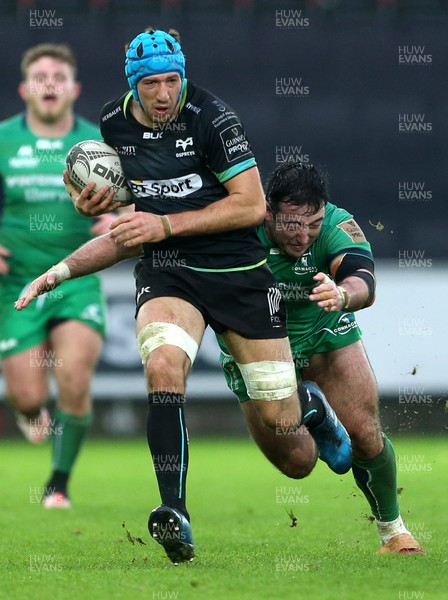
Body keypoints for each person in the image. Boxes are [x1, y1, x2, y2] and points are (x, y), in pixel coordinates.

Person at [15, 29, 352, 564]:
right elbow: (127, 219)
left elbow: (250, 206)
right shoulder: (113, 124)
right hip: (170, 275)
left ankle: (308, 406)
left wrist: (164, 226)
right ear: (134, 85)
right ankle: (175, 513)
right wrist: (81, 229)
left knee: (291, 448)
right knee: (163, 366)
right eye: (152, 83)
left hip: (240, 272)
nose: (166, 93)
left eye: (174, 80)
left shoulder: (213, 118)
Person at [218, 160, 424, 554]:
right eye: (292, 224)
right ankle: (309, 405)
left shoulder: (335, 224)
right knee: (298, 464)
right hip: (256, 349)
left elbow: (363, 278)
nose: (303, 235)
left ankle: (393, 531)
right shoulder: (239, 228)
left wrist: (343, 294)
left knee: (364, 433)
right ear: (268, 211)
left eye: (312, 224)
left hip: (323, 336)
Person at [0, 43, 114, 509]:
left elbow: (132, 199)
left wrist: (117, 218)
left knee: (73, 377)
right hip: (16, 283)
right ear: (26, 89)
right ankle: (30, 411)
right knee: (27, 396)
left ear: (74, 89)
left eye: (59, 76)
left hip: (73, 277)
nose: (50, 84)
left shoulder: (97, 143)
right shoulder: (4, 139)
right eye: (40, 77)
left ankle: (59, 483)